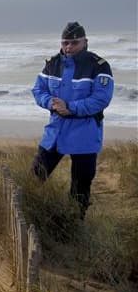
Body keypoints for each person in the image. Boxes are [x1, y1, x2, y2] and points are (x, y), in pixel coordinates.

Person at [31, 22, 114, 218]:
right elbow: (37, 90)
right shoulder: (52, 64)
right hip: (55, 133)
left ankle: (75, 226)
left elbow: (101, 99)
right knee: (34, 178)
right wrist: (51, 102)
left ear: (85, 42)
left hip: (85, 135)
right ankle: (32, 214)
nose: (68, 47)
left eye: (74, 43)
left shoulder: (98, 66)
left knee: (80, 189)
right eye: (65, 42)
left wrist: (70, 108)